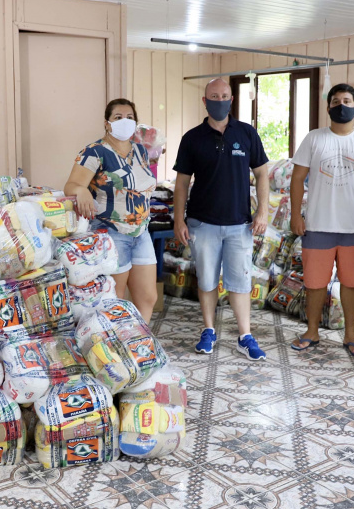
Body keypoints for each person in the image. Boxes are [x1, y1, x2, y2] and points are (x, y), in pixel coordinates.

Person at [173, 78, 270, 360]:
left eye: (225, 96)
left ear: (231, 100)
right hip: (202, 223)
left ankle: (245, 335)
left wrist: (262, 211)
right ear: (205, 101)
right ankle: (208, 330)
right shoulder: (192, 138)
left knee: (239, 281)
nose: (220, 100)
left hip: (240, 224)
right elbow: (181, 184)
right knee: (206, 280)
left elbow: (262, 173)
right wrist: (179, 220)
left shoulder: (247, 133)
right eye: (214, 96)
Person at [289, 84, 354, 357]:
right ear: (328, 107)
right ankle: (312, 331)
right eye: (335, 101)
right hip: (317, 225)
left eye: (346, 101)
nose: (340, 105)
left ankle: (351, 335)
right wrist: (297, 215)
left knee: (352, 283)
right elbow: (297, 179)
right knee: (315, 283)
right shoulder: (314, 138)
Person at [64, 98, 158, 321]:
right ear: (107, 123)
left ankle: (138, 340)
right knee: (114, 297)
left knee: (147, 296)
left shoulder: (141, 152)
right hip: (111, 232)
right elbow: (71, 185)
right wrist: (81, 190)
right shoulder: (94, 152)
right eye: (118, 117)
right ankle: (113, 344)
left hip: (141, 232)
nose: (124, 121)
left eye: (130, 117)